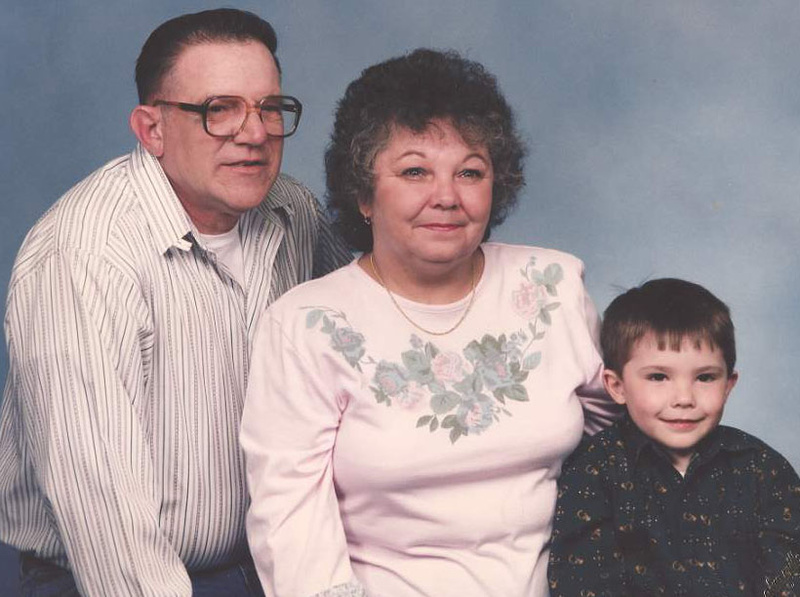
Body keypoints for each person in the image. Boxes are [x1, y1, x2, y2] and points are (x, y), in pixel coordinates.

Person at [240, 48, 621, 597]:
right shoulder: (304, 325)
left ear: (498, 185)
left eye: (470, 172)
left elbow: (623, 441)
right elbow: (291, 527)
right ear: (364, 194)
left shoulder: (553, 285)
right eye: (415, 171)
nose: (446, 197)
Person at [0, 8, 351, 596]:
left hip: (267, 563)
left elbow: (381, 318)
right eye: (220, 109)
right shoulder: (85, 256)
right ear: (151, 129)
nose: (256, 132)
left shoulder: (292, 211)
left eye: (270, 107)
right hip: (102, 576)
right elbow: (105, 518)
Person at [548, 278, 800, 597]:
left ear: (728, 384)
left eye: (705, 377)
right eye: (658, 377)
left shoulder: (762, 467)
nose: (684, 398)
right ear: (616, 386)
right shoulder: (592, 472)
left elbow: (790, 566)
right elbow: (583, 583)